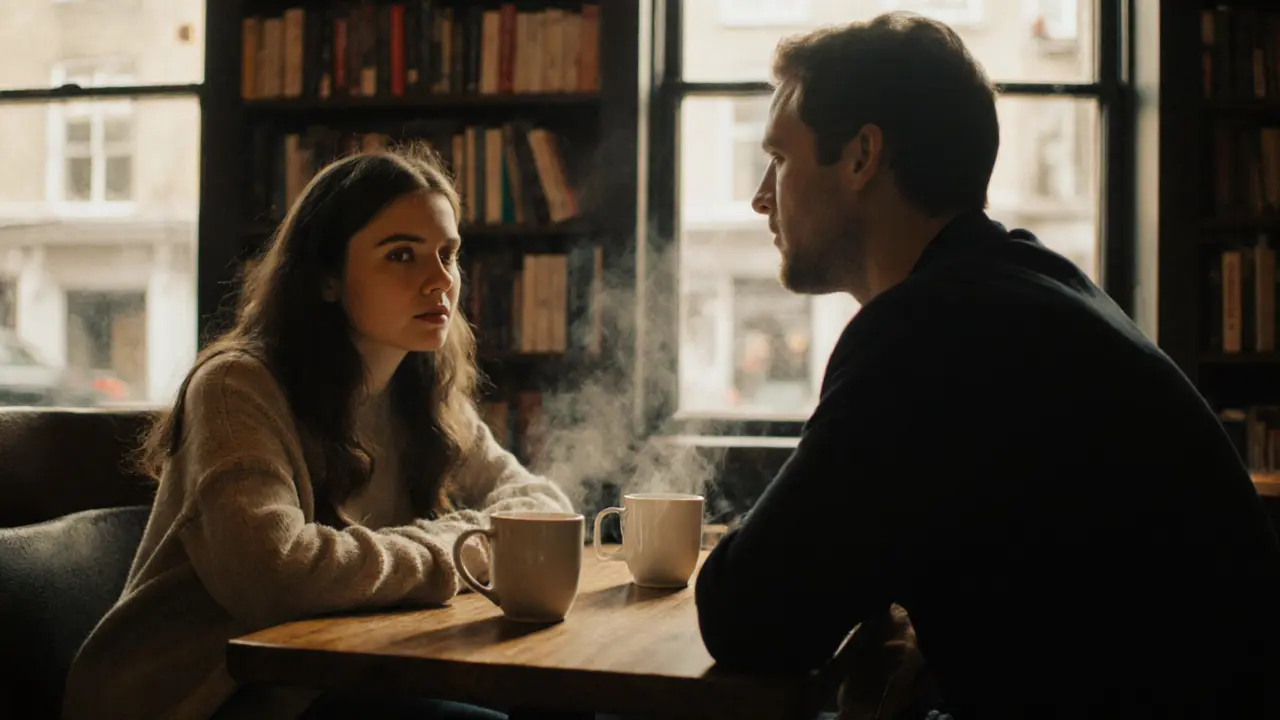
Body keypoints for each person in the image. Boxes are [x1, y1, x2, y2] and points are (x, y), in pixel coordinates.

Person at [694, 12, 1280, 719]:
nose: (761, 195)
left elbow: (747, 614)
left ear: (861, 157)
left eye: (780, 160)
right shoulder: (1023, 282)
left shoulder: (925, 331)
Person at [63, 146, 575, 720]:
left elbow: (545, 509)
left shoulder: (422, 388)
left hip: (345, 674)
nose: (441, 281)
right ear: (328, 278)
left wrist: (469, 544)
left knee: (567, 701)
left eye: (448, 254)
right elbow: (277, 576)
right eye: (402, 255)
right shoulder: (236, 387)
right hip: (203, 695)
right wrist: (468, 548)